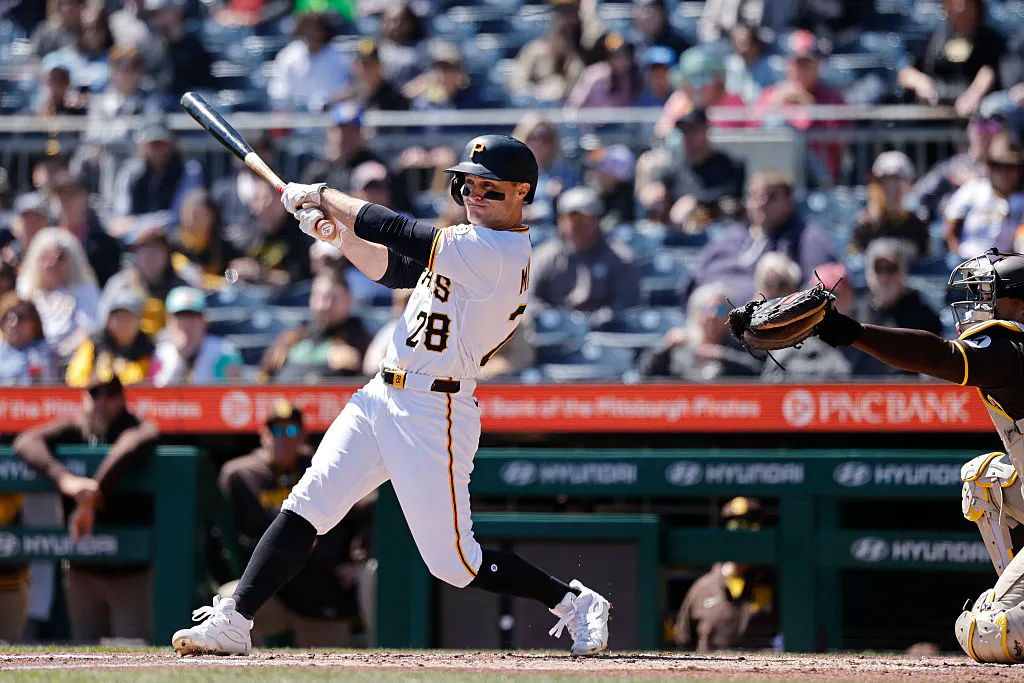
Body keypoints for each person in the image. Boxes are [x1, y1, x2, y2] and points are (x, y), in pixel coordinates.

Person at [172, 135, 611, 657]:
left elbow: (399, 231)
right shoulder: (470, 240)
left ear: (522, 193)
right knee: (307, 504)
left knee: (455, 564)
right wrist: (337, 235)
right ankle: (235, 619)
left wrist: (321, 193)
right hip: (381, 393)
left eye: (489, 187)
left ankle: (572, 602)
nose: (473, 194)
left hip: (435, 410)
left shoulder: (499, 250)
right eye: (468, 183)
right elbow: (397, 270)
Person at [728, 246, 1024, 662]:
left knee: (983, 632)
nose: (979, 304)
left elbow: (940, 356)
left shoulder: (1012, 348)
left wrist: (852, 332)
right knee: (984, 479)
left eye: (990, 294)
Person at [13, 375, 159, 643]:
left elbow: (128, 448)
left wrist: (89, 497)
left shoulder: (138, 427)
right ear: (85, 398)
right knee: (85, 653)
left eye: (111, 395)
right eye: (96, 394)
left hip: (129, 571)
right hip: (83, 569)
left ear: (123, 398)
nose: (103, 402)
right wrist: (65, 480)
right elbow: (26, 442)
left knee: (135, 653)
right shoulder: (75, 429)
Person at [216, 401, 365, 647]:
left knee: (336, 664)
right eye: (276, 431)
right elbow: (218, 537)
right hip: (269, 594)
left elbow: (365, 507)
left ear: (303, 436)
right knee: (228, 601)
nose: (283, 438)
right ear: (263, 435)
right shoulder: (240, 475)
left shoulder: (322, 468)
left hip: (319, 592)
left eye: (292, 431)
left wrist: (356, 559)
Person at [683, 170, 836, 304]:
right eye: (755, 196)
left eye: (771, 197)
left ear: (789, 202)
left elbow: (818, 287)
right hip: (714, 320)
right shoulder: (731, 236)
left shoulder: (806, 237)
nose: (761, 203)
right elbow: (695, 279)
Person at [674, 497, 777, 650]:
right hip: (709, 672)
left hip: (765, 671)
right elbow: (683, 641)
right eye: (734, 532)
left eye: (748, 532)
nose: (741, 541)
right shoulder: (703, 587)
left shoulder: (778, 584)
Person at [531, 186, 640, 314]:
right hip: (556, 329)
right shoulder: (544, 256)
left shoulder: (620, 257)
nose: (578, 227)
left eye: (584, 221)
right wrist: (557, 319)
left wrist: (598, 320)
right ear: (560, 222)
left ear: (596, 220)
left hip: (604, 330)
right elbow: (528, 299)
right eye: (573, 221)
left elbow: (626, 303)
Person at [261, 265, 373, 383]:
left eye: (332, 298)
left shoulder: (360, 339)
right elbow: (265, 373)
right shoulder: (294, 336)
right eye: (318, 296)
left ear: (348, 300)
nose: (323, 306)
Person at [849, 238, 943, 378]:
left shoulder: (922, 313)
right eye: (879, 270)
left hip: (908, 394)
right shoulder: (855, 311)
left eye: (891, 269)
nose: (885, 278)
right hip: (861, 394)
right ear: (868, 274)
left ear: (903, 271)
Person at [898, 0, 1004, 117]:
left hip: (973, 112)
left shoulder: (990, 40)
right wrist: (920, 82)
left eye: (965, 4)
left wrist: (975, 93)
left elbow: (990, 71)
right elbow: (906, 73)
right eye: (954, 3)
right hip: (934, 107)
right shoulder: (936, 38)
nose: (959, 8)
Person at [638, 282, 762, 379]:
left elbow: (756, 370)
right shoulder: (680, 346)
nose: (712, 316)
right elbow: (646, 372)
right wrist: (666, 348)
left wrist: (719, 354)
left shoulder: (738, 345)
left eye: (719, 310)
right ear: (695, 314)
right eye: (707, 309)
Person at [15, 227, 100, 362]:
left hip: (74, 361)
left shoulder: (84, 290)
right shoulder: (26, 289)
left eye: (59, 257)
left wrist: (59, 353)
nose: (52, 263)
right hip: (30, 361)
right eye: (46, 257)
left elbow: (89, 328)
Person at [909, 107, 1007, 223]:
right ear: (971, 130)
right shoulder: (953, 166)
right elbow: (916, 197)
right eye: (981, 126)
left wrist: (976, 183)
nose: (985, 135)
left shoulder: (1009, 170)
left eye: (992, 127)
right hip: (950, 227)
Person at [761, 263, 855, 383]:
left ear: (850, 296)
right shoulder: (789, 344)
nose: (824, 301)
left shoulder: (864, 345)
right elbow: (767, 391)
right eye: (817, 294)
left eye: (831, 294)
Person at [109, 122, 204, 235]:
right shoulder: (129, 172)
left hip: (174, 238)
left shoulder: (189, 171)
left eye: (162, 144)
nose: (158, 150)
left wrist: (141, 225)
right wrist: (144, 229)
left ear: (171, 145)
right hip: (136, 240)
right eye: (152, 144)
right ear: (142, 146)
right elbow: (121, 216)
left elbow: (180, 217)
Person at [943, 132, 1024, 260]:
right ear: (990, 167)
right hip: (968, 263)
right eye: (998, 166)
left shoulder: (1021, 199)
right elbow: (950, 225)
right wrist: (957, 254)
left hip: (1008, 270)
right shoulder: (973, 189)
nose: (1005, 172)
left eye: (1011, 167)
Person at [101, 221, 188, 338]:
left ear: (167, 254)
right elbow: (102, 324)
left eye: (157, 248)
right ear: (135, 253)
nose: (151, 255)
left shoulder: (182, 286)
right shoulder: (119, 284)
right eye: (145, 249)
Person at [669, 107, 747, 234]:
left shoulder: (729, 164)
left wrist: (695, 203)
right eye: (684, 131)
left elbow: (729, 199)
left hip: (717, 233)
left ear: (706, 129)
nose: (688, 136)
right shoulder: (674, 166)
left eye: (693, 130)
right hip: (677, 235)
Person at [227, 181, 314, 289]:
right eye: (257, 198)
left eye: (267, 197)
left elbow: (299, 279)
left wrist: (260, 273)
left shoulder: (302, 234)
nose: (263, 205)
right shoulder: (246, 236)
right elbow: (228, 273)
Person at [152, 286, 243, 386]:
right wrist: (180, 356)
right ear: (169, 321)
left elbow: (231, 394)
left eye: (193, 316)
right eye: (180, 316)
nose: (187, 323)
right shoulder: (161, 354)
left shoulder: (224, 352)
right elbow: (157, 395)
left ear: (204, 321)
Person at [66, 289, 154, 387]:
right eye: (118, 317)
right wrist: (97, 379)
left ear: (139, 321)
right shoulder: (94, 344)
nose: (123, 323)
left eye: (128, 317)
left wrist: (121, 372)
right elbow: (75, 379)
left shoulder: (149, 349)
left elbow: (150, 381)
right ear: (109, 320)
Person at [851, 151, 930, 258]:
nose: (891, 188)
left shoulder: (918, 226)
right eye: (884, 182)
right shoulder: (865, 225)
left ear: (909, 184)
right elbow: (853, 263)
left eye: (896, 181)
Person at [267, 12, 350, 112]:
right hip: (295, 117)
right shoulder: (289, 55)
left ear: (323, 30)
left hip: (330, 115)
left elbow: (343, 89)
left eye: (316, 28)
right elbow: (279, 90)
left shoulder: (339, 57)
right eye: (307, 28)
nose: (311, 33)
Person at [508, 0, 586, 105]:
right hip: (536, 107)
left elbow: (576, 89)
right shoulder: (534, 50)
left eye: (569, 13)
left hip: (568, 110)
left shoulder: (580, 54)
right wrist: (537, 93)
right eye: (560, 13)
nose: (564, 21)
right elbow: (516, 83)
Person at [656, 47, 747, 137]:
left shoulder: (733, 101)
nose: (700, 86)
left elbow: (752, 138)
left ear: (719, 80)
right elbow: (662, 132)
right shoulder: (679, 100)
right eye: (693, 78)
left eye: (706, 77)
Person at [52, 173, 122, 287]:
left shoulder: (105, 244)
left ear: (85, 197)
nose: (65, 201)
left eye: (71, 194)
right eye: (60, 195)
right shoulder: (46, 241)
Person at [299, 103, 384, 194]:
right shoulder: (318, 171)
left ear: (361, 135)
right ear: (330, 133)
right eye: (342, 130)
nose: (346, 137)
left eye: (352, 130)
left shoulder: (375, 166)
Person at [513, 114, 580, 225]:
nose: (539, 143)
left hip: (555, 233)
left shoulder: (564, 172)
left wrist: (561, 197)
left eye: (545, 138)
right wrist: (527, 213)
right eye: (533, 137)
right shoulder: (509, 172)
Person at [171, 188, 240, 291]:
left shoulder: (225, 246)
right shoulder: (173, 245)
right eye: (186, 214)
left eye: (196, 215)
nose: (190, 221)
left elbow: (234, 276)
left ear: (211, 216)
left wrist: (229, 279)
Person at [145, 0, 215, 98]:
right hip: (163, 101)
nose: (155, 19)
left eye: (160, 13)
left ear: (175, 13)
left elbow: (203, 84)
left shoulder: (194, 46)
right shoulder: (154, 45)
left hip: (190, 101)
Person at [566, 33, 643, 110]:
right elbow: (574, 105)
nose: (620, 62)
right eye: (615, 57)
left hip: (622, 121)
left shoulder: (633, 78)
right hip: (591, 120)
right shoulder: (594, 75)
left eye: (624, 57)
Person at [0, 297, 58, 386]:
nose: (13, 323)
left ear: (33, 323)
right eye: (7, 317)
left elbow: (44, 386)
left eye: (20, 317)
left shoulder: (45, 351)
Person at [346, 38, 410, 112]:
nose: (367, 69)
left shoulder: (395, 97)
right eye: (363, 64)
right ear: (356, 67)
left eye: (371, 64)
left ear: (380, 65)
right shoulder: (349, 96)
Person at [724, 23, 779, 105]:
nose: (740, 48)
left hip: (765, 112)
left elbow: (779, 94)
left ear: (755, 44)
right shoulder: (729, 65)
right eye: (736, 42)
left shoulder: (774, 65)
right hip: (737, 113)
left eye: (744, 42)